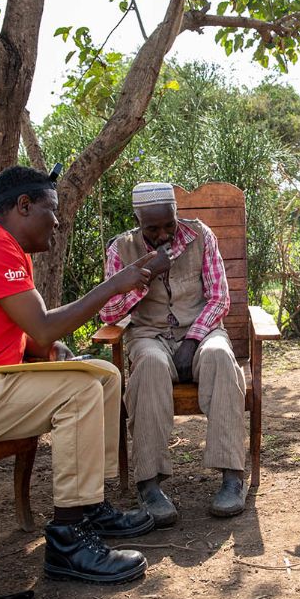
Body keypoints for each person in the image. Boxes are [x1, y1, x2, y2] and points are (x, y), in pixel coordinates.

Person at [0, 165, 157, 585]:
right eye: (50, 210)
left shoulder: (8, 250)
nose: (57, 221)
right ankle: (68, 540)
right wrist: (115, 286)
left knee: (105, 374)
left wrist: (44, 349)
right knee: (79, 390)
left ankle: (90, 505)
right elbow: (40, 323)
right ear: (23, 206)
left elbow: (23, 332)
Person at [100, 182, 248, 526]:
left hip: (202, 330)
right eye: (153, 228)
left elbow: (219, 299)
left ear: (175, 214)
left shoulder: (201, 236)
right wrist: (144, 277)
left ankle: (231, 477)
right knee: (149, 365)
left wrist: (194, 340)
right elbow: (109, 313)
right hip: (149, 335)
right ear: (138, 221)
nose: (164, 234)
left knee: (220, 358)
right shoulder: (122, 248)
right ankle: (149, 484)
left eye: (169, 224)